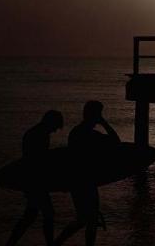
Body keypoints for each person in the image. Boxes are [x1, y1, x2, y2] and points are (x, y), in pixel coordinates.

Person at [55, 100, 120, 246]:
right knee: (87, 219)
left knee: (86, 219)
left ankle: (57, 243)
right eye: (99, 114)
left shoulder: (77, 132)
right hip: (84, 181)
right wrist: (104, 123)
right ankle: (57, 243)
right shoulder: (88, 134)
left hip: (80, 181)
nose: (100, 116)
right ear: (95, 115)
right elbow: (116, 142)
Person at [6, 110, 64, 246]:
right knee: (48, 214)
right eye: (55, 126)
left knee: (30, 215)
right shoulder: (40, 134)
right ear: (51, 122)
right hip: (35, 181)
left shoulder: (35, 132)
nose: (55, 130)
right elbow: (38, 160)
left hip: (31, 180)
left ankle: (10, 243)